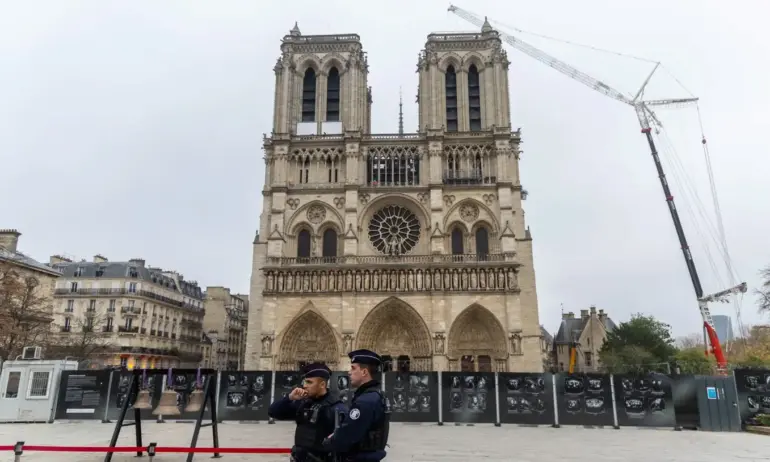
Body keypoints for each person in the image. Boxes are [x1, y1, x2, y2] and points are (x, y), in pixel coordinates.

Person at [268, 363, 346, 462]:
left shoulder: (336, 408)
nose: (304, 386)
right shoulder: (302, 403)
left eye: (309, 382)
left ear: (322, 384)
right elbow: (273, 412)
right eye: (304, 382)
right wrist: (289, 398)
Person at [322, 349, 390, 461]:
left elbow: (348, 435)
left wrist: (330, 441)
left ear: (364, 372)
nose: (349, 372)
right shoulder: (376, 395)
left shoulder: (365, 401)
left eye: (353, 368)